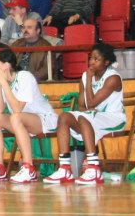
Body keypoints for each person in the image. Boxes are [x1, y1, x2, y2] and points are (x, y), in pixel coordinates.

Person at [43, 44, 125, 185]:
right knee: (64, 117)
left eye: (96, 59)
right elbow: (82, 104)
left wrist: (88, 80)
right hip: (91, 117)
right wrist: (87, 80)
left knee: (84, 117)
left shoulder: (113, 78)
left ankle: (93, 168)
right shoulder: (86, 75)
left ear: (106, 62)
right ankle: (65, 168)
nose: (92, 62)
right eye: (91, 58)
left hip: (113, 118)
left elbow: (91, 103)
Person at [0, 48, 58, 183]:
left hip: (43, 119)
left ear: (6, 65)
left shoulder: (24, 76)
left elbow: (17, 108)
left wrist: (3, 83)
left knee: (15, 117)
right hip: (20, 122)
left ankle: (29, 168)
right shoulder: (4, 81)